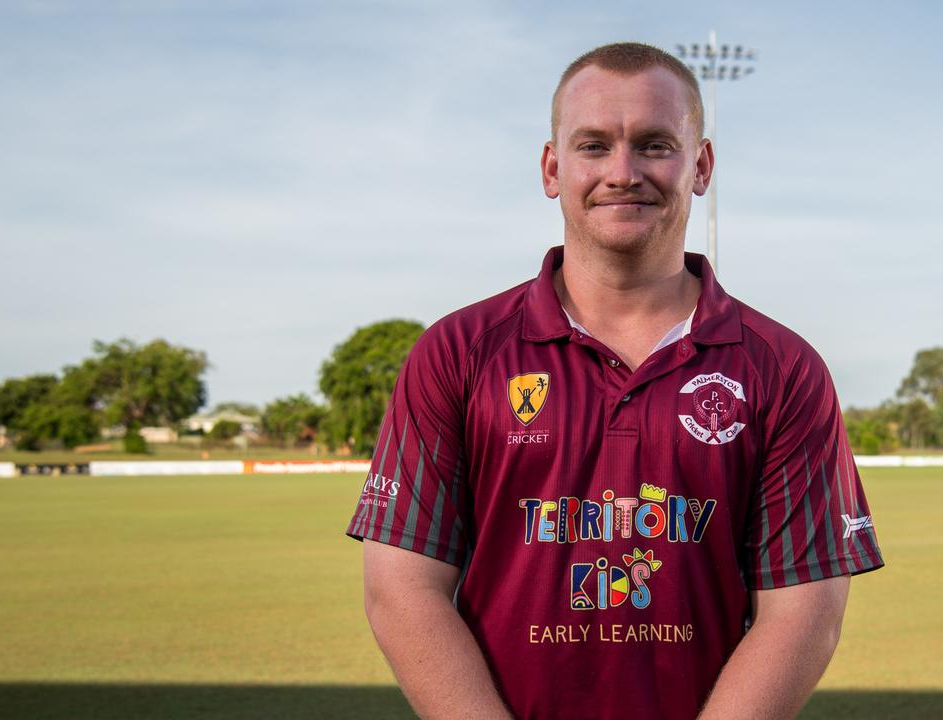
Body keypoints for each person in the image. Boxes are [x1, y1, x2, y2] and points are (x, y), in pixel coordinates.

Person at [346, 41, 883, 720]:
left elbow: (805, 611)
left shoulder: (782, 367)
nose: (622, 172)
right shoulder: (456, 352)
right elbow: (402, 590)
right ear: (553, 168)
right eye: (594, 146)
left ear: (701, 165)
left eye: (655, 144)